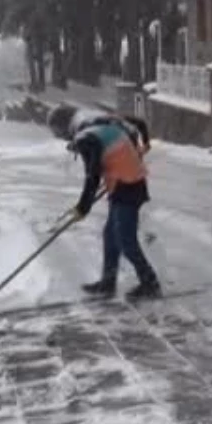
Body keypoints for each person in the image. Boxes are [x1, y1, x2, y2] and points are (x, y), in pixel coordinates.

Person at [68, 111, 161, 299]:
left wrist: (82, 207)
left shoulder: (87, 140)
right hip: (123, 186)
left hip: (128, 188)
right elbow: (113, 159)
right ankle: (108, 282)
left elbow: (92, 176)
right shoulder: (107, 129)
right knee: (110, 235)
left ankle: (150, 282)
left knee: (125, 240)